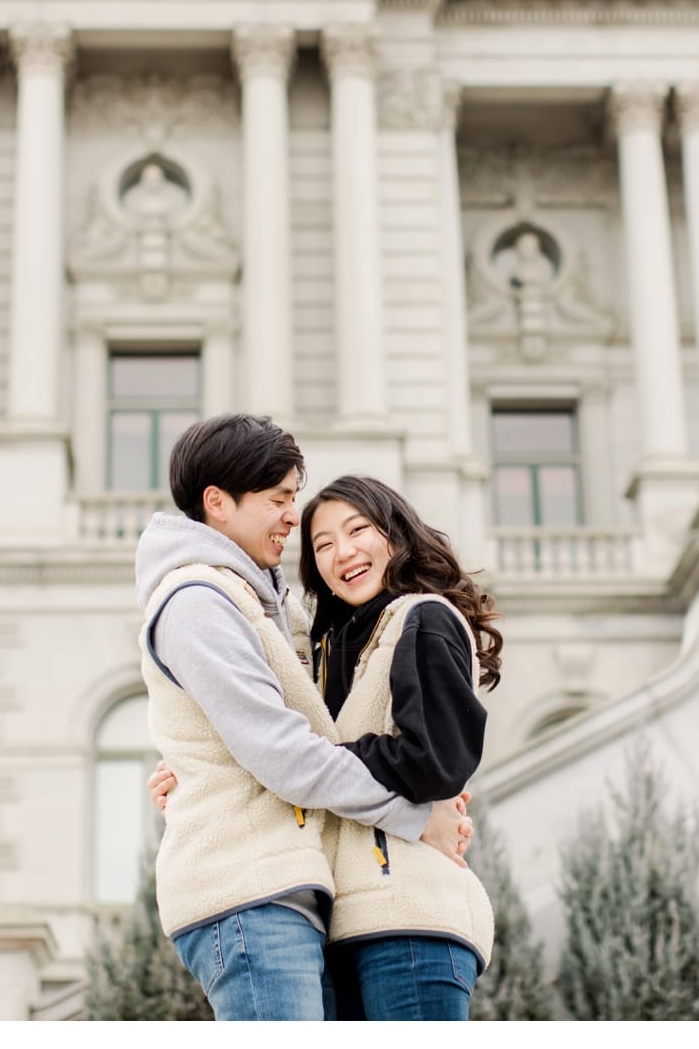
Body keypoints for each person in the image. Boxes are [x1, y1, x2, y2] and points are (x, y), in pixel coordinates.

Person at [135, 415, 473, 1022]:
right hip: (249, 894)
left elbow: (305, 739)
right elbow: (283, 752)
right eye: (280, 500)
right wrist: (416, 816)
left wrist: (196, 765)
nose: (292, 518)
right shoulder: (199, 602)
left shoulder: (278, 610)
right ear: (218, 503)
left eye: (295, 499)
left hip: (304, 895)